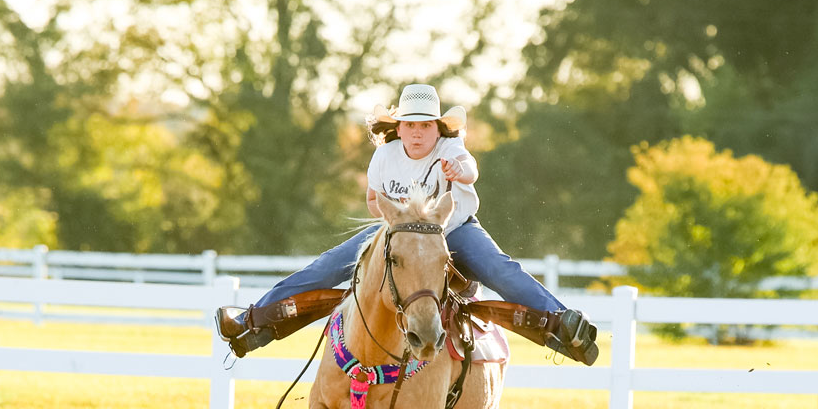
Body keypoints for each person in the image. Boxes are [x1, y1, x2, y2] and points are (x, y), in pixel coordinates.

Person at [215, 83, 598, 365]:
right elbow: (372, 201)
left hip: (453, 230)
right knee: (327, 265)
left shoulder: (451, 150)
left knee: (501, 269)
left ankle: (563, 323)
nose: (417, 133)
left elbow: (471, 169)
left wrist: (457, 171)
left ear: (438, 129)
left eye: (426, 126)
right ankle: (253, 319)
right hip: (397, 231)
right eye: (410, 126)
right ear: (398, 128)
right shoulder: (385, 157)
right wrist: (392, 215)